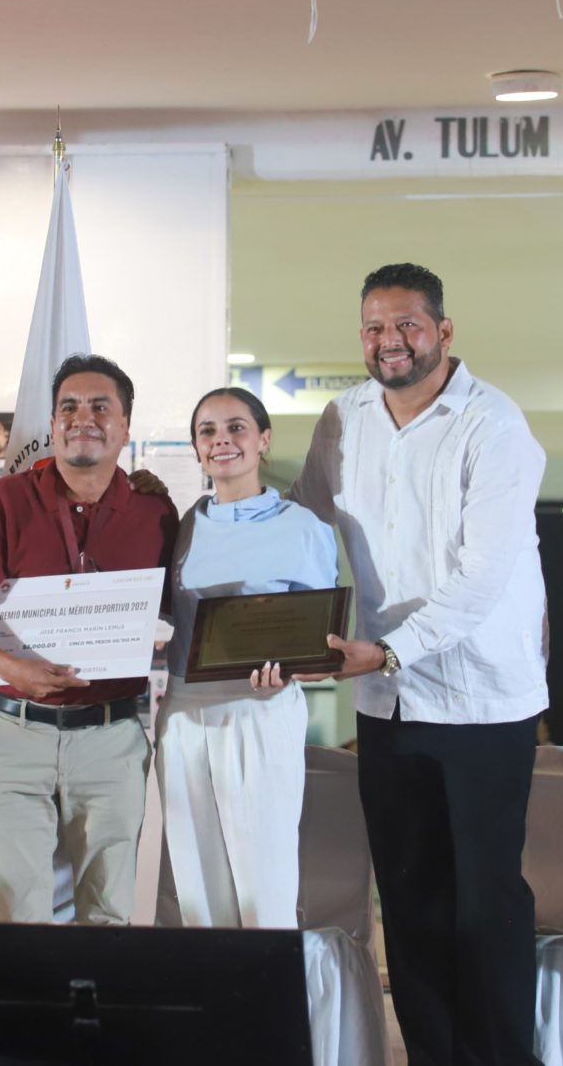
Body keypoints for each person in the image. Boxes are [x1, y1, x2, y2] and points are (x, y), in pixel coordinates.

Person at [291, 262, 549, 1064]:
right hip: (387, 704)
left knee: (487, 904)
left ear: (443, 330)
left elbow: (483, 577)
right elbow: (302, 525)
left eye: (407, 324)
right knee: (409, 902)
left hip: (483, 701)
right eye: (374, 327)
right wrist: (220, 521)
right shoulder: (343, 417)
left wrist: (392, 649)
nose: (389, 341)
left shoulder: (494, 424)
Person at [0, 354, 177, 924]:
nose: (82, 418)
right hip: (16, 736)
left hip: (112, 737)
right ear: (52, 422)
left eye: (100, 407)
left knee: (108, 916)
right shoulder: (8, 499)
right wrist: (12, 668)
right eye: (69, 406)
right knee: (18, 918)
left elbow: (181, 614)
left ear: (125, 426)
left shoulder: (154, 512)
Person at [158, 387, 338, 928]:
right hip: (185, 711)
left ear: (263, 439)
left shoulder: (302, 526)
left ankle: (269, 983)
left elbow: (321, 638)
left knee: (264, 883)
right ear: (196, 448)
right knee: (196, 887)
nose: (222, 440)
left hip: (261, 710)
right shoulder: (183, 527)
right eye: (208, 431)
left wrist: (289, 669)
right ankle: (212, 985)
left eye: (236, 427)